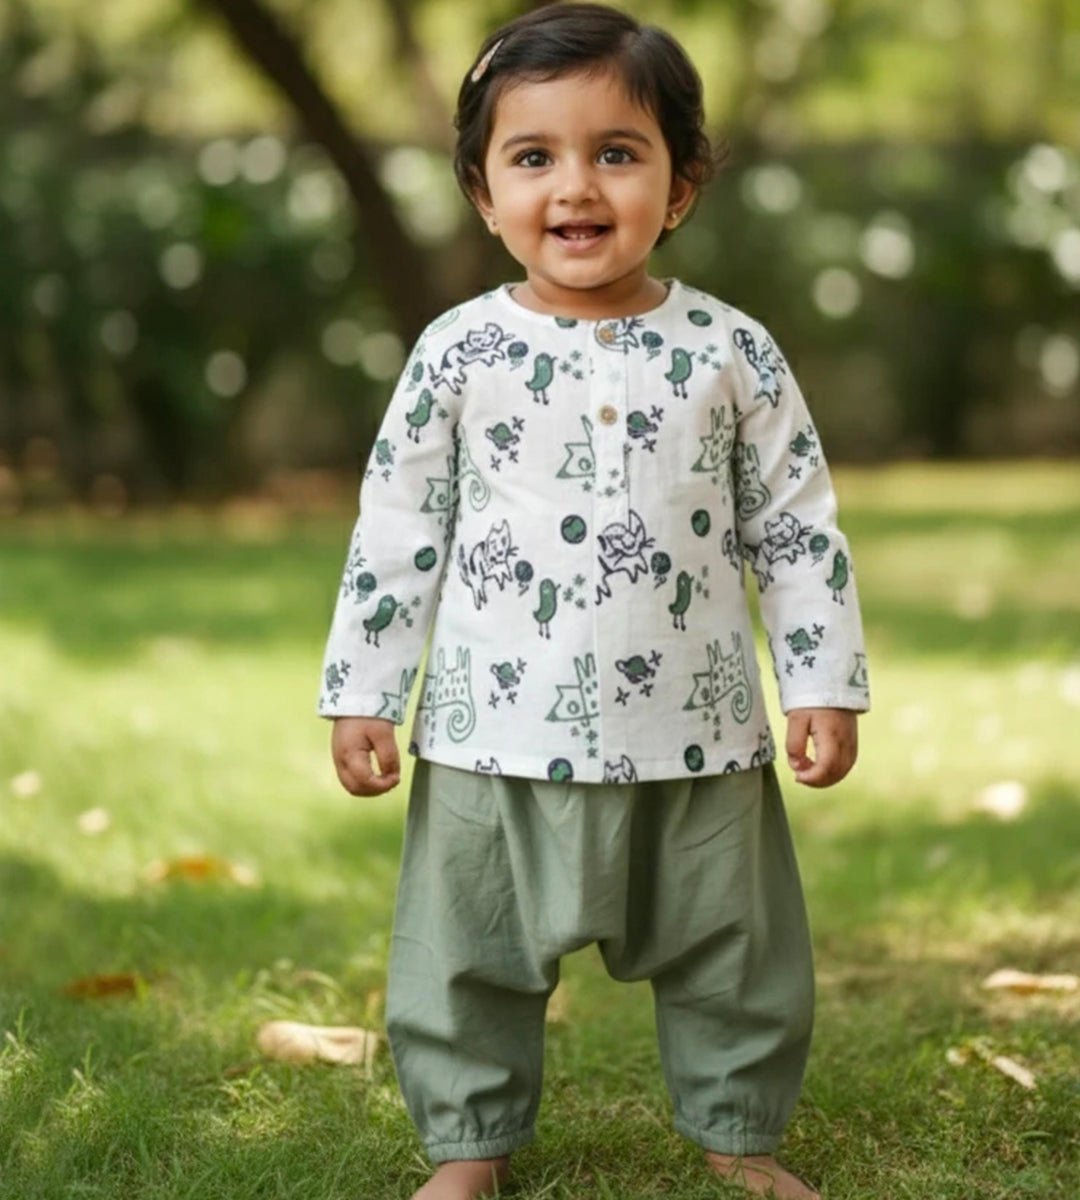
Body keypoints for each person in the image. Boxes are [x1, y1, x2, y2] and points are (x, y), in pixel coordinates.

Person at [317, 5, 870, 1198]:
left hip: (699, 733)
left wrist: (822, 683)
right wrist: (363, 693)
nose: (575, 185)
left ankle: (740, 1133)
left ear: (681, 185)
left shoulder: (731, 353)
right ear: (483, 192)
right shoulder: (458, 354)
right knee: (465, 955)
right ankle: (470, 1148)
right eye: (534, 156)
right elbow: (398, 533)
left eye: (617, 151)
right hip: (493, 735)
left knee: (735, 954)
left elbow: (793, 527)